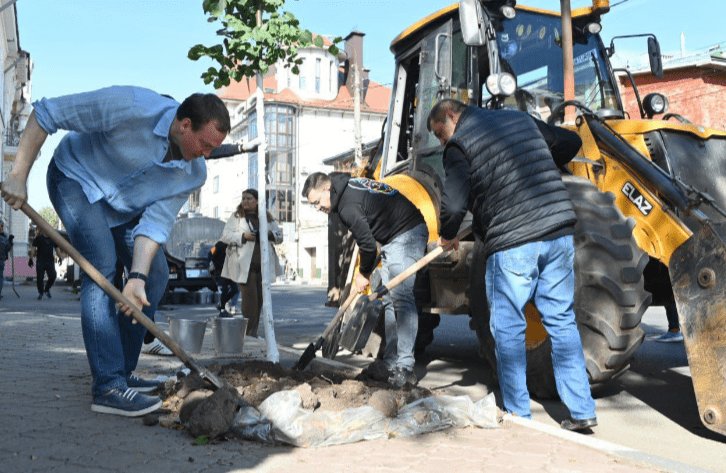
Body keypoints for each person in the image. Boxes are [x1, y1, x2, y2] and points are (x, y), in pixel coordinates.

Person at [0, 86, 229, 417]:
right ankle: (107, 386)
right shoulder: (132, 106)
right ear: (184, 125)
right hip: (75, 180)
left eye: (214, 148)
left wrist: (137, 277)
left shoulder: (194, 173)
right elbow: (47, 113)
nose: (207, 154)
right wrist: (19, 176)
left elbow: (154, 224)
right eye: (205, 144)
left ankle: (122, 372)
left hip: (122, 207)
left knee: (156, 275)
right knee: (101, 265)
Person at [427, 98, 597, 431]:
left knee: (507, 326)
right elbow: (571, 142)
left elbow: (455, 202)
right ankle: (581, 410)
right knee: (562, 320)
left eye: (440, 133)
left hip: (514, 240)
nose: (442, 142)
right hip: (559, 229)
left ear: (450, 115)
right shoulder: (520, 119)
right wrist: (540, 165)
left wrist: (447, 234)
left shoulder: (460, 144)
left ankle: (519, 414)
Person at [302, 172, 429, 388]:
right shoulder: (345, 188)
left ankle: (406, 368)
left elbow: (368, 246)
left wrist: (364, 273)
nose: (318, 208)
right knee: (389, 300)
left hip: (406, 233)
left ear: (326, 189)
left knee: (402, 298)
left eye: (317, 202)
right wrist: (366, 271)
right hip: (393, 237)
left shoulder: (347, 206)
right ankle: (391, 362)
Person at [220, 189, 283, 337]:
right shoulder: (236, 217)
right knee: (250, 302)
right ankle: (248, 335)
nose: (245, 201)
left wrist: (269, 234)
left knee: (261, 301)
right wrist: (243, 236)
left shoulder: (266, 217)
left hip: (263, 266)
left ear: (257, 201)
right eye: (243, 198)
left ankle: (252, 333)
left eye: (249, 198)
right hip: (244, 266)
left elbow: (280, 236)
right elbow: (225, 236)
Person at [208, 240, 240, 318]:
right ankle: (222, 311)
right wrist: (213, 263)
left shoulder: (233, 246)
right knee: (225, 290)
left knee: (235, 289)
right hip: (220, 272)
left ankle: (222, 304)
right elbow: (210, 253)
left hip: (229, 272)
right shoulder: (219, 244)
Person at [30, 228, 58, 300]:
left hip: (50, 261)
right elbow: (33, 248)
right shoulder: (39, 238)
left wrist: (60, 257)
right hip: (40, 261)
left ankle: (47, 289)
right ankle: (41, 293)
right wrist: (31, 258)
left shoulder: (53, 239)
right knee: (40, 278)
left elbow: (57, 248)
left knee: (53, 276)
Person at [0, 221, 13, 299]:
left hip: (1, 260)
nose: (1, 228)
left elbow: (7, 249)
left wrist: (10, 241)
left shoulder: (4, 236)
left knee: (0, 277)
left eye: (2, 226)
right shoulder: (3, 237)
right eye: (0, 226)